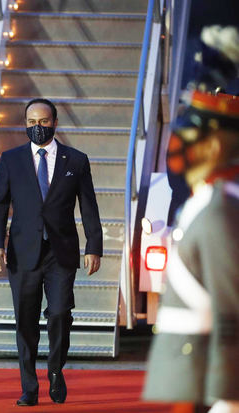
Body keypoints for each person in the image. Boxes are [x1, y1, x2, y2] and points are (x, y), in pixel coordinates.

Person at [0, 98, 102, 406]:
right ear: (24, 124)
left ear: (54, 122)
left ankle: (55, 369)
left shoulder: (76, 160)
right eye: (31, 122)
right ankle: (28, 387)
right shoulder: (11, 159)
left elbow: (88, 206)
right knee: (25, 321)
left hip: (61, 251)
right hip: (22, 252)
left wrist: (94, 246)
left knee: (60, 313)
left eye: (43, 121)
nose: (37, 127)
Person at [144, 91, 239, 413]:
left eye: (187, 137)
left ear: (213, 147)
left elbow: (230, 311)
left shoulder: (218, 213)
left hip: (207, 372)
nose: (176, 146)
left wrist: (228, 396)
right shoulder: (202, 202)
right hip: (190, 365)